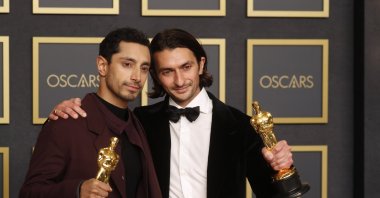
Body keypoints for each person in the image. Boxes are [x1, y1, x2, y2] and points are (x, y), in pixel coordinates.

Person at [49, 29, 294, 198]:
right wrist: (72, 108)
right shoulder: (140, 121)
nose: (179, 81)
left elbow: (273, 194)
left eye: (186, 67)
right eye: (167, 71)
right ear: (155, 75)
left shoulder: (241, 125)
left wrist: (282, 169)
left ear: (201, 64)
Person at [20, 27, 162, 198]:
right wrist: (77, 191)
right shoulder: (66, 122)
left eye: (144, 68)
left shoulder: (140, 125)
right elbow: (29, 193)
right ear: (102, 66)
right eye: (127, 64)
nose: (137, 77)